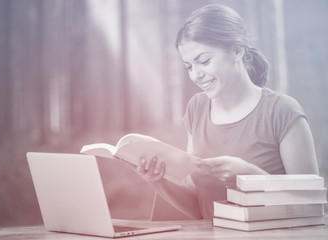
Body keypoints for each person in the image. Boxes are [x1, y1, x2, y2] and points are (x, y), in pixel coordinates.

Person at [135, 4, 319, 219]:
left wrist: (250, 176)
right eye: (189, 66)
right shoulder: (197, 109)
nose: (196, 75)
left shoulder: (283, 112)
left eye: (204, 61)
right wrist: (157, 181)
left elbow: (313, 209)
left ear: (237, 51)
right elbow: (199, 205)